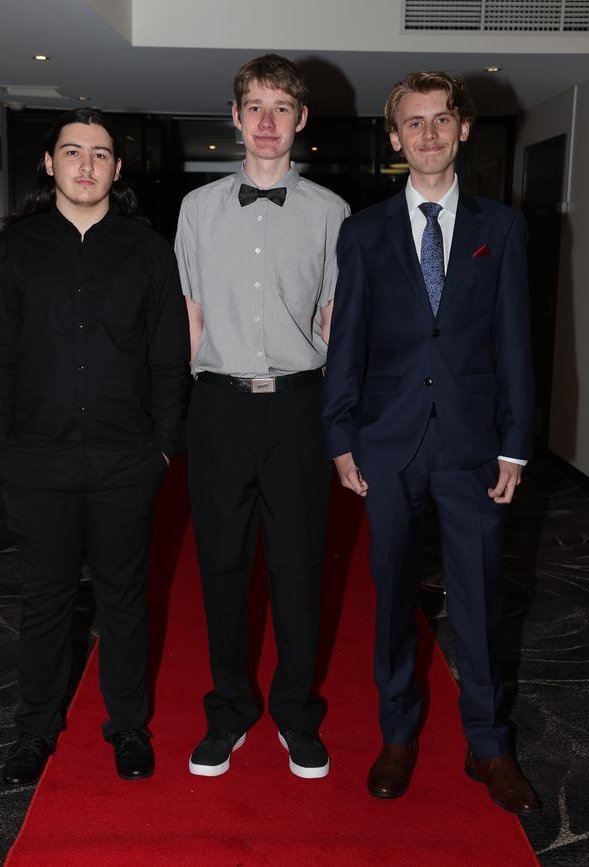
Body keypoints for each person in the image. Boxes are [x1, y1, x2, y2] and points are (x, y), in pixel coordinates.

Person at [323, 72, 540, 814]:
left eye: (440, 120)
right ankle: (398, 732)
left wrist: (515, 445)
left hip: (474, 447)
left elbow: (516, 344)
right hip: (386, 447)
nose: (427, 135)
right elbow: (346, 343)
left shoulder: (503, 229)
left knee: (479, 599)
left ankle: (490, 745)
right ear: (394, 137)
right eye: (412, 124)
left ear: (463, 129)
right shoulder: (363, 231)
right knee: (392, 602)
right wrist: (340, 438)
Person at [0, 108, 189, 785]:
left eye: (100, 154)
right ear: (50, 163)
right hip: (38, 459)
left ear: (117, 170)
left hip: (127, 459)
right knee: (44, 600)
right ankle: (34, 730)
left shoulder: (149, 252)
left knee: (126, 599)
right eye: (73, 151)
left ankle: (128, 724)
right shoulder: (13, 249)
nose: (87, 165)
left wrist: (162, 446)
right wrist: (4, 446)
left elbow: (168, 357)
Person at [175, 54, 349, 779]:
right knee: (220, 566)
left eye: (283, 106)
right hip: (219, 406)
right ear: (237, 116)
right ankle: (230, 711)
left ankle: (297, 714)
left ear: (301, 120)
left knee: (299, 568)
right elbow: (191, 314)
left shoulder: (332, 213)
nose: (269, 120)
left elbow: (334, 323)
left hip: (299, 410)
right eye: (256, 106)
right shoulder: (196, 209)